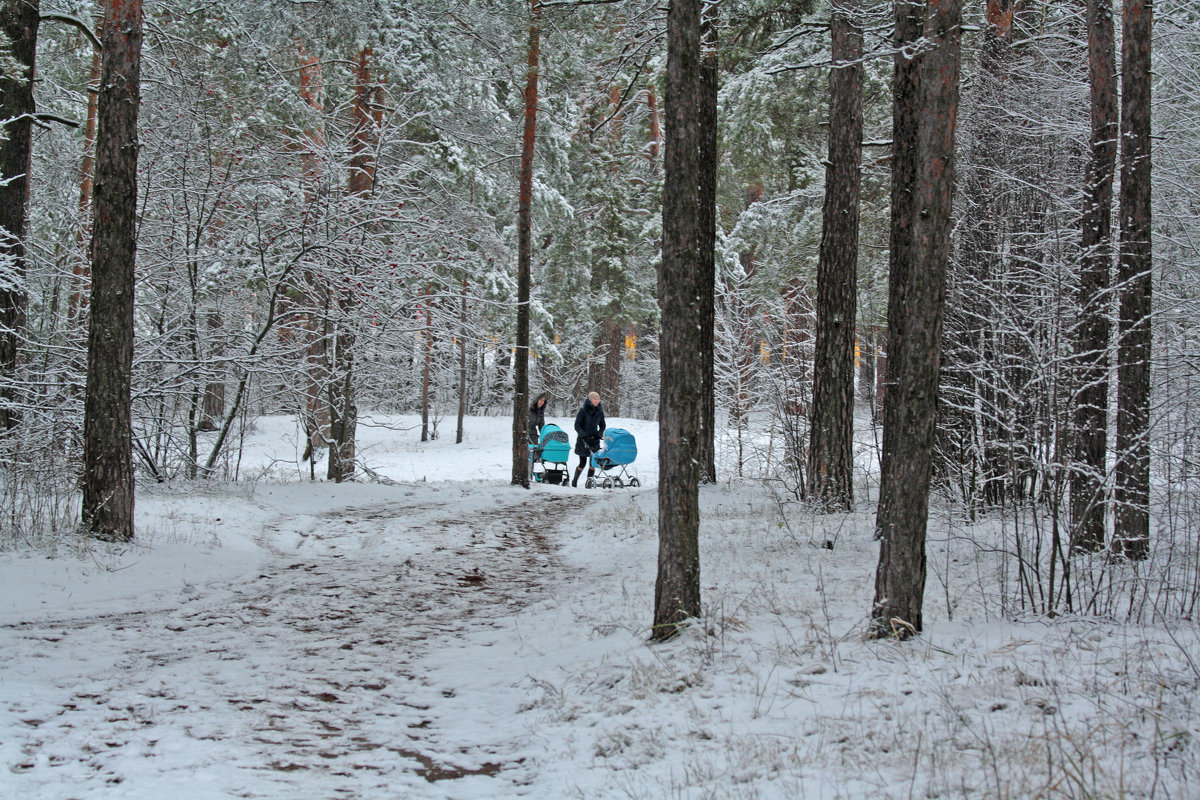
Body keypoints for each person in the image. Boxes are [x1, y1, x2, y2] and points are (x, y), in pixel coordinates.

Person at [572, 390, 606, 487]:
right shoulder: (583, 411)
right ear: (590, 400)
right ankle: (574, 481)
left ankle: (589, 484)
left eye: (598, 399)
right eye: (595, 399)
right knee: (582, 463)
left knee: (593, 463)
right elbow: (577, 425)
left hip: (594, 440)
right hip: (583, 440)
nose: (597, 401)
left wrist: (599, 434)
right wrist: (583, 434)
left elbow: (603, 425)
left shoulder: (600, 412)